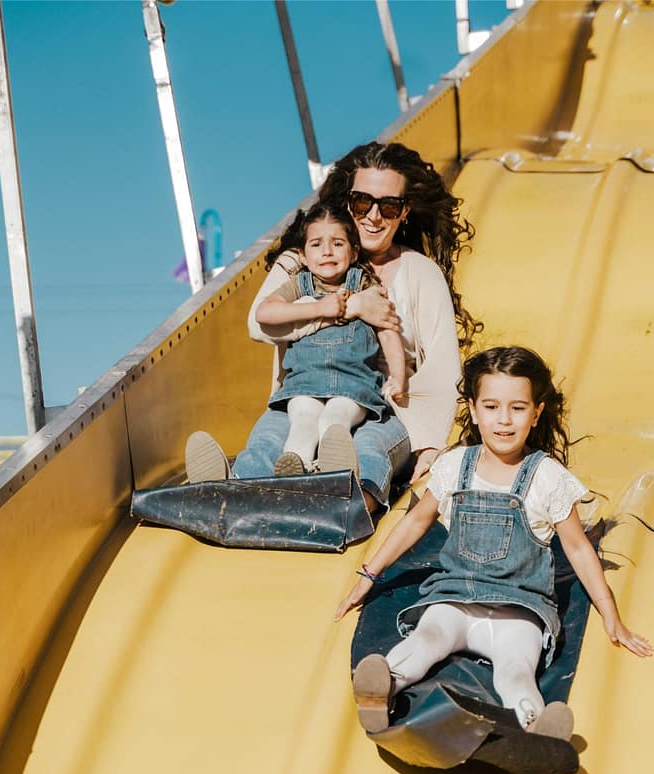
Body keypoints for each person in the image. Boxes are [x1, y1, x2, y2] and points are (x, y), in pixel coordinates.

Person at [335, 346, 654, 738]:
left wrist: (611, 614)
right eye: (491, 406)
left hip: (519, 609)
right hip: (455, 599)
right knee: (428, 639)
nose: (504, 420)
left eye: (517, 408)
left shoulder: (547, 478)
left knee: (516, 671)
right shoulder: (454, 466)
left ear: (536, 413)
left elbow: (577, 548)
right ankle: (383, 689)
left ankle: (536, 728)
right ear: (473, 409)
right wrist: (368, 575)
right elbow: (415, 521)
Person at [185, 142, 477, 511]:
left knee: (369, 448)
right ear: (346, 202)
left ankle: (349, 502)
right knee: (268, 442)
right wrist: (350, 306)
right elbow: (259, 323)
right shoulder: (301, 262)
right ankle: (227, 490)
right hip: (301, 394)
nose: (373, 216)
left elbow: (442, 367)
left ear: (404, 213)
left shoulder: (419, 273)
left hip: (384, 409)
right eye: (361, 203)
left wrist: (431, 444)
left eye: (388, 206)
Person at [254, 201, 407, 475]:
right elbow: (264, 313)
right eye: (316, 244)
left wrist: (398, 376)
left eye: (337, 243)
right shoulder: (298, 286)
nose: (327, 251)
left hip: (354, 386)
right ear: (302, 255)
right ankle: (294, 471)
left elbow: (388, 328)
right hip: (304, 384)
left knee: (333, 419)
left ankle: (331, 470)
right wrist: (317, 308)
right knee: (303, 421)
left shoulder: (363, 285)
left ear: (354, 251)